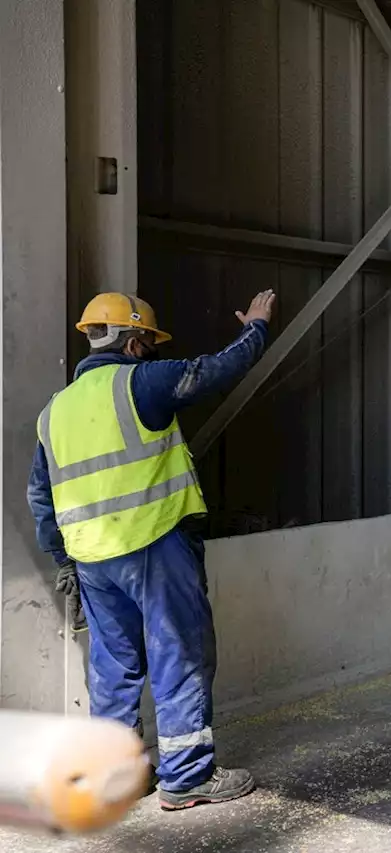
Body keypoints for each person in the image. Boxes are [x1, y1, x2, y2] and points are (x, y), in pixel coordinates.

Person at [26, 290, 276, 811]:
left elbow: (40, 497)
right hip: (153, 543)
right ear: (135, 342)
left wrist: (64, 560)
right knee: (179, 651)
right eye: (149, 344)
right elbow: (217, 369)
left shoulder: (54, 413)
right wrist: (255, 328)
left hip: (92, 559)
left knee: (114, 665)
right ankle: (186, 777)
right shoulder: (141, 383)